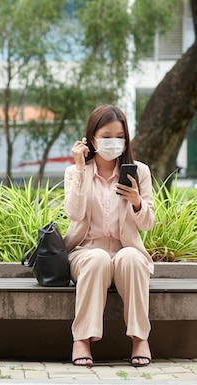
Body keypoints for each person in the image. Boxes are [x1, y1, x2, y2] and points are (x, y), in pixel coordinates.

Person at [64, 105, 155, 368]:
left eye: (119, 136)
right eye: (106, 136)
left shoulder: (139, 171)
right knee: (97, 258)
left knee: (132, 258)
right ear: (91, 138)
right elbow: (74, 212)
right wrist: (81, 170)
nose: (113, 142)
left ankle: (140, 339)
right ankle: (81, 340)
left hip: (125, 250)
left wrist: (138, 202)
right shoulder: (75, 172)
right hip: (85, 252)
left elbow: (148, 224)